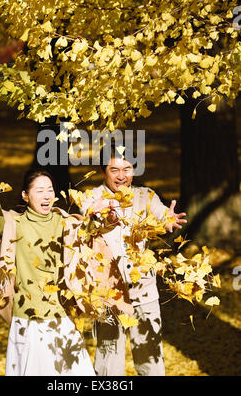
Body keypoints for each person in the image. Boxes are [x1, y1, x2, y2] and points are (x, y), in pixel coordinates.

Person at [0, 169, 97, 376]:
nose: (47, 195)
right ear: (25, 196)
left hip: (60, 315)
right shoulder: (16, 224)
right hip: (29, 318)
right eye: (39, 190)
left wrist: (99, 217)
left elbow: (89, 237)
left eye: (50, 190)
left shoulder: (65, 223)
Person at [80, 145, 187, 376]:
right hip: (107, 292)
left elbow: (160, 213)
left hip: (144, 291)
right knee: (108, 362)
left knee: (151, 360)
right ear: (103, 171)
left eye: (127, 169)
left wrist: (167, 221)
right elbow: (83, 222)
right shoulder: (93, 197)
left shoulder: (145, 195)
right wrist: (94, 215)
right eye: (114, 169)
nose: (121, 176)